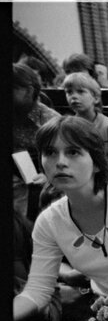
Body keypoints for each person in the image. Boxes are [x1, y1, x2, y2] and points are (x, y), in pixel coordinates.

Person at [14, 116, 108, 321]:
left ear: (96, 162)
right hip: (107, 307)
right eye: (50, 152)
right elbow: (37, 291)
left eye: (73, 152)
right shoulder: (48, 222)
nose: (60, 162)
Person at [13, 62, 59, 220]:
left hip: (48, 183)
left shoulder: (49, 120)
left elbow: (64, 158)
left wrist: (49, 177)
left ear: (29, 91)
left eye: (12, 89)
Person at [63, 71, 108, 178]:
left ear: (96, 98)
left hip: (106, 178)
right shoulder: (67, 127)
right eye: (69, 92)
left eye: (80, 92)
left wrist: (97, 173)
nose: (74, 97)